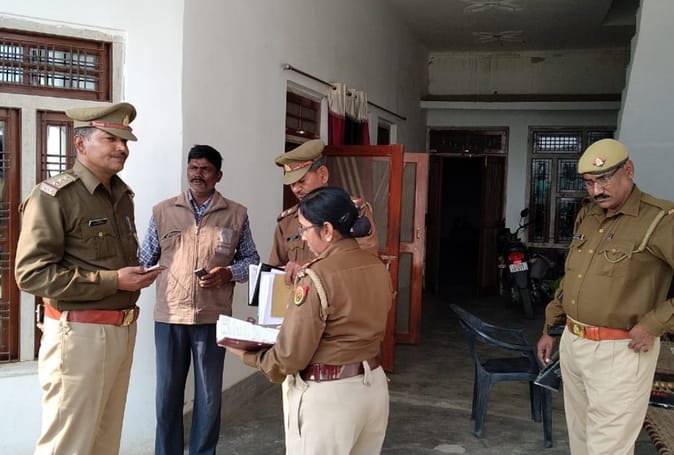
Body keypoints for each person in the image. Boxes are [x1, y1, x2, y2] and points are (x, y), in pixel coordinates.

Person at [14, 102, 162, 455]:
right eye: (111, 139)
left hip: (122, 330)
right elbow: (32, 274)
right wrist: (113, 281)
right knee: (68, 444)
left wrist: (134, 277)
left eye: (125, 141)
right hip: (79, 336)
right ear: (80, 143)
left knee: (104, 441)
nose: (122, 148)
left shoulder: (121, 196)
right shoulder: (54, 196)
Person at [226, 186, 392, 454]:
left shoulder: (315, 277)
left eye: (304, 230)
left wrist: (246, 354)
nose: (303, 237)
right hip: (373, 388)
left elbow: (289, 358)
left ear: (327, 230)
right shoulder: (377, 267)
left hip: (330, 398)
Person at [536, 138, 674, 455]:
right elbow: (572, 277)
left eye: (604, 179)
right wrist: (550, 327)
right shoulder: (589, 216)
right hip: (573, 343)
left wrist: (654, 324)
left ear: (629, 170)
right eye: (589, 182)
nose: (596, 190)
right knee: (581, 439)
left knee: (608, 448)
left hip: (621, 350)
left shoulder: (660, 219)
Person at [138, 144, 260, 455]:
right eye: (193, 168)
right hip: (170, 316)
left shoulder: (236, 214)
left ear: (218, 175)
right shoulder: (163, 211)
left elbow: (252, 261)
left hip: (212, 318)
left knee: (208, 397)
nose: (198, 174)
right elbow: (144, 259)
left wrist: (228, 273)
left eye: (205, 169)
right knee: (167, 397)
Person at [269, 139, 378, 284]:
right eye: (292, 184)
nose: (296, 189)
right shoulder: (287, 222)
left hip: (342, 293)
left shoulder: (352, 211)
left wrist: (309, 266)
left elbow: (367, 259)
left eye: (301, 181)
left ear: (323, 175)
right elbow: (274, 271)